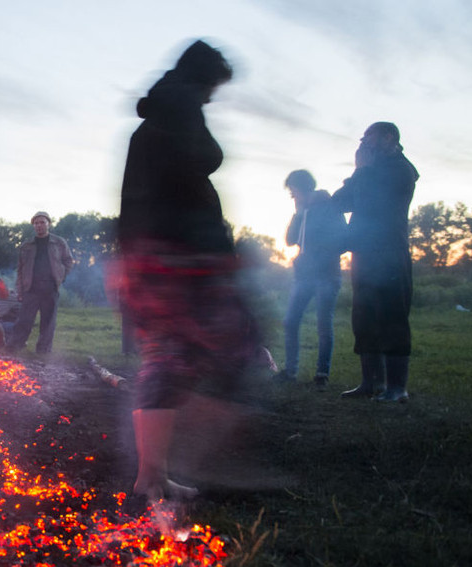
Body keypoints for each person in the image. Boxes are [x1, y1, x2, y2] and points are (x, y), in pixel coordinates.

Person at [118, 40, 256, 501]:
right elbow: (201, 159)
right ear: (203, 78)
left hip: (158, 261)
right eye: (213, 87)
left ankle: (152, 476)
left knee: (169, 361)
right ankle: (212, 464)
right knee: (214, 353)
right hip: (178, 263)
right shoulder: (180, 108)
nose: (213, 97)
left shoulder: (161, 116)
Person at [332, 122, 419, 403]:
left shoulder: (401, 171)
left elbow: (372, 202)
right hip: (364, 254)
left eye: (368, 137)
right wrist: (360, 171)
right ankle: (371, 384)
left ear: (388, 137)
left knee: (393, 318)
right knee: (364, 317)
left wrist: (363, 171)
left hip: (390, 253)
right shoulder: (367, 171)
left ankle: (397, 389)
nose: (363, 142)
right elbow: (340, 202)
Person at [274, 170, 347, 389]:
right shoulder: (301, 211)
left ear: (302, 188)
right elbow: (289, 240)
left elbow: (342, 239)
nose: (291, 196)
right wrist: (298, 215)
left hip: (327, 274)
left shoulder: (330, 206)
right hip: (304, 276)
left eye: (293, 191)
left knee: (324, 324)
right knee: (290, 321)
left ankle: (322, 374)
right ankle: (291, 371)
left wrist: (320, 255)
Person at [5, 212, 73, 354]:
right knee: (24, 320)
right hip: (31, 289)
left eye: (42, 222)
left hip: (50, 288)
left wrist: (60, 277)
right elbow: (21, 269)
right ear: (33, 226)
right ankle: (15, 346)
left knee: (48, 322)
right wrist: (20, 290)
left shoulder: (58, 243)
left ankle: (43, 351)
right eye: (36, 223)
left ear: (48, 223)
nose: (39, 225)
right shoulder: (26, 245)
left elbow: (68, 261)